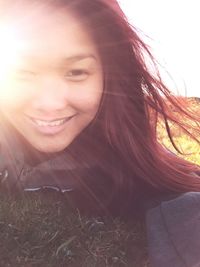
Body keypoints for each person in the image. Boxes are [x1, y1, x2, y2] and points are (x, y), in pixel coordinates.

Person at [0, 0, 199, 266]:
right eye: (23, 72)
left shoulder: (134, 160)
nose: (50, 103)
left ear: (108, 77)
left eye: (76, 72)